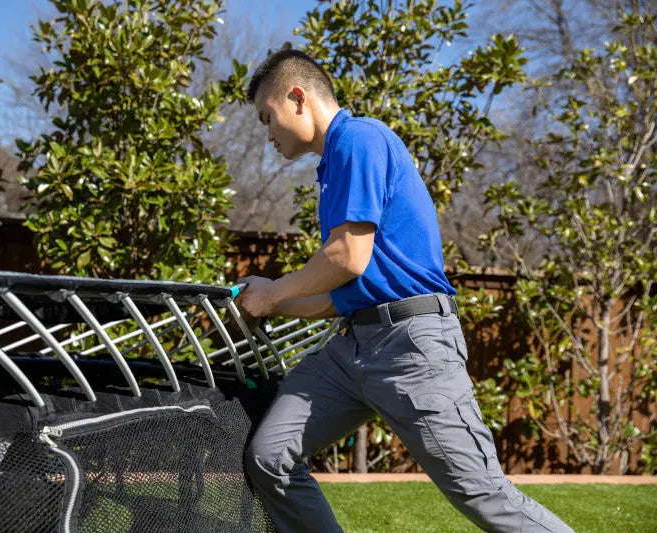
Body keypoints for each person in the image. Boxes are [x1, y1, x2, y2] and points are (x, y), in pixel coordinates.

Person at [234, 49, 573, 533]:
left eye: (267, 117)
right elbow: (339, 292)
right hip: (354, 348)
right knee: (271, 456)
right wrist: (267, 303)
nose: (268, 134)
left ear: (297, 98)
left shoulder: (359, 138)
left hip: (412, 346)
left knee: (481, 493)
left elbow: (347, 257)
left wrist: (271, 294)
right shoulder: (333, 166)